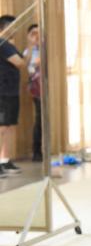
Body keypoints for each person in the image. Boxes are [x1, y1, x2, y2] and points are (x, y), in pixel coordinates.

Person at [0, 15, 25, 177]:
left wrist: (31, 45)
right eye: (13, 26)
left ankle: (5, 161)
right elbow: (20, 63)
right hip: (3, 92)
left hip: (11, 91)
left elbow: (23, 61)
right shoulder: (2, 44)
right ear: (5, 27)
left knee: (9, 127)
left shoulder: (9, 45)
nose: (15, 29)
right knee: (2, 127)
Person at [24, 24, 42, 161]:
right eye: (33, 33)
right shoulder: (27, 52)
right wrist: (31, 45)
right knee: (39, 119)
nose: (36, 36)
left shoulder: (46, 48)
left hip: (48, 86)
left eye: (38, 33)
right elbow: (27, 66)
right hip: (36, 88)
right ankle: (37, 152)